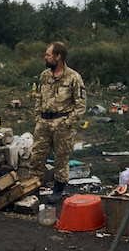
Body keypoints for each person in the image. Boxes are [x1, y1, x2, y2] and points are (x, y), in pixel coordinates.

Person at [29, 41, 86, 203]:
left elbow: (80, 105)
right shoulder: (45, 75)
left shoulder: (74, 78)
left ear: (58, 57)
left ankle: (58, 190)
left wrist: (68, 122)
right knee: (36, 157)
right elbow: (39, 97)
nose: (45, 57)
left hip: (62, 124)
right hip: (43, 123)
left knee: (61, 159)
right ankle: (33, 188)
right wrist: (37, 116)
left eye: (48, 54)